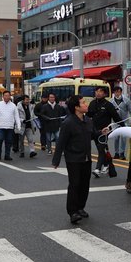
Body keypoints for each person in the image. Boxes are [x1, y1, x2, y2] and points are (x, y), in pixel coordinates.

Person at [52, 95, 103, 224]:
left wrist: (102, 132)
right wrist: (56, 160)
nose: (86, 104)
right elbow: (61, 142)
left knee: (85, 185)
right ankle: (72, 212)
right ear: (76, 107)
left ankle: (80, 207)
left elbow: (93, 135)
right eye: (83, 103)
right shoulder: (68, 123)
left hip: (86, 158)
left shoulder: (88, 121)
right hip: (73, 159)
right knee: (74, 185)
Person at [87, 87, 119, 178]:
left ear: (105, 94)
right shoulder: (92, 103)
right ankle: (107, 164)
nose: (98, 93)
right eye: (97, 91)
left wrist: (124, 127)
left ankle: (97, 169)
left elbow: (116, 118)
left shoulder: (108, 105)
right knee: (102, 149)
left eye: (101, 91)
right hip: (94, 131)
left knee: (101, 149)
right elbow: (88, 115)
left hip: (104, 131)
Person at [0, 91, 21, 161]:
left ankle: (7, 155)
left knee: (9, 141)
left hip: (10, 126)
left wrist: (18, 125)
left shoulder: (13, 105)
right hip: (0, 126)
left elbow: (16, 116)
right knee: (0, 139)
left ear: (10, 97)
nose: (7, 97)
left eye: (8, 96)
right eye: (5, 96)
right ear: (3, 97)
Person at [111, 86, 131, 160]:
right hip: (115, 122)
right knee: (116, 138)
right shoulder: (111, 101)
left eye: (119, 91)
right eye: (116, 91)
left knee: (123, 138)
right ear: (114, 92)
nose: (117, 93)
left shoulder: (126, 100)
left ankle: (122, 153)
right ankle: (116, 153)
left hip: (124, 121)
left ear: (121, 92)